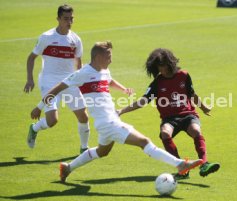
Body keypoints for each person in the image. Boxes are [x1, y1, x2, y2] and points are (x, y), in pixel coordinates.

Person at [31, 41, 203, 183]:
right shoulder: (82, 73)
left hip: (108, 120)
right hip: (108, 123)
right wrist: (40, 107)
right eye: (109, 57)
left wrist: (122, 89)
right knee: (144, 141)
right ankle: (180, 164)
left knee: (102, 151)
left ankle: (67, 168)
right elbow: (57, 88)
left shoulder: (104, 70)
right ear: (98, 57)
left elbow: (109, 80)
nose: (111, 60)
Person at [118, 48, 220, 179]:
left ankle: (204, 163)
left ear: (170, 63)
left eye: (163, 65)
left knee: (196, 130)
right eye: (158, 67)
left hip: (188, 115)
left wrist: (204, 107)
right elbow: (143, 101)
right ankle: (182, 167)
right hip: (169, 119)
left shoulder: (184, 75)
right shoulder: (157, 83)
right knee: (165, 133)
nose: (162, 70)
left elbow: (192, 94)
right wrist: (122, 110)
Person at [24, 4, 90, 153]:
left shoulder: (76, 40)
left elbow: (78, 63)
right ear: (58, 19)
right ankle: (34, 128)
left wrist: (80, 81)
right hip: (49, 81)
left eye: (71, 18)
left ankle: (84, 148)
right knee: (52, 121)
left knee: (83, 116)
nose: (69, 22)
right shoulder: (46, 37)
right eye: (66, 19)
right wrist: (30, 79)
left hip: (70, 82)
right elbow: (31, 58)